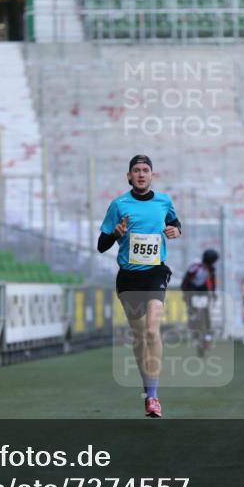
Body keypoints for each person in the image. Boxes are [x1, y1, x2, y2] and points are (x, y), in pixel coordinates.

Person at [97, 155, 181, 418]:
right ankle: (147, 389)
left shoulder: (164, 201)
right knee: (139, 336)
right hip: (129, 277)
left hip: (155, 273)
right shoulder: (119, 205)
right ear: (129, 176)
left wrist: (176, 231)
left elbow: (175, 223)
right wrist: (115, 233)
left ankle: (154, 397)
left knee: (153, 332)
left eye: (146, 170)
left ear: (152, 175)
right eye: (136, 170)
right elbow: (101, 245)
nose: (141, 174)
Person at [180, 249, 218, 357]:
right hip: (193, 292)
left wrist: (213, 294)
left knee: (204, 315)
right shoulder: (197, 268)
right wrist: (185, 293)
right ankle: (200, 336)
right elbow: (186, 280)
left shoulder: (209, 269)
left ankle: (205, 337)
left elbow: (212, 283)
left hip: (201, 293)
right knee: (200, 316)